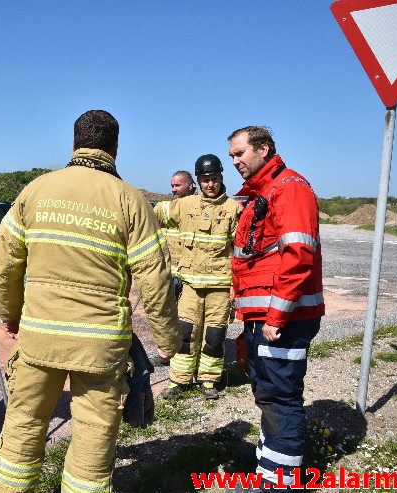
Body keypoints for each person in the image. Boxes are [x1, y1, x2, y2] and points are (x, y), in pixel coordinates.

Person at [0, 110, 180, 492]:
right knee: (93, 434)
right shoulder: (131, 200)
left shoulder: (36, 190)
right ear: (115, 148)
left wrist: (11, 316)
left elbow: (4, 262)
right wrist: (169, 341)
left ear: (74, 144)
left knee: (24, 424)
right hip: (100, 345)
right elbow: (155, 279)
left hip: (40, 336)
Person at [228, 126, 324, 490]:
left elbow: (298, 256)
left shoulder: (289, 188)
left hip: (283, 320)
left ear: (263, 149)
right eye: (233, 155)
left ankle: (279, 483)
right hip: (266, 320)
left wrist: (275, 318)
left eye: (240, 153)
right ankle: (269, 470)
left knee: (281, 399)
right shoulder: (262, 193)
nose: (235, 162)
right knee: (268, 394)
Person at [153, 155, 241, 400]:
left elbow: (241, 250)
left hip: (220, 287)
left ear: (221, 178)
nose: (210, 185)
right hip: (190, 285)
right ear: (198, 182)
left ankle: (209, 380)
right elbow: (152, 216)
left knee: (214, 335)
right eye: (204, 180)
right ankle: (179, 380)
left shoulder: (233, 209)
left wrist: (237, 288)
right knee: (185, 333)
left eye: (213, 179)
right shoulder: (184, 205)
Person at [154, 170, 196, 276]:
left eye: (177, 185)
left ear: (190, 185)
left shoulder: (200, 206)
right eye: (172, 186)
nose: (173, 189)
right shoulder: (164, 208)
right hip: (168, 274)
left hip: (190, 274)